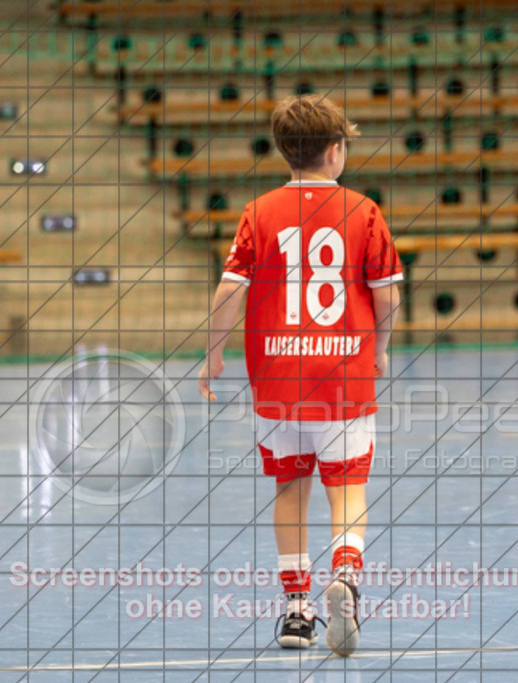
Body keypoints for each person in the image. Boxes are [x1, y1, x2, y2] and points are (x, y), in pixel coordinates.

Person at [197, 94, 402, 656]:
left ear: (284, 150)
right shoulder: (363, 211)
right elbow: (389, 297)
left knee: (290, 488)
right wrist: (379, 348)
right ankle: (346, 576)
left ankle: (296, 611)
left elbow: (229, 291)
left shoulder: (259, 212)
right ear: (336, 151)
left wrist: (213, 353)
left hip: (278, 379)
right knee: (348, 487)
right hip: (343, 376)